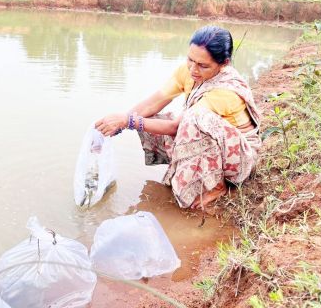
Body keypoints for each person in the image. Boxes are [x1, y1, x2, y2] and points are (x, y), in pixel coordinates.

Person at [95, 25, 261, 209]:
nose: (193, 70)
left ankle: (217, 186)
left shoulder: (226, 91)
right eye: (190, 59)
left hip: (238, 159)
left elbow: (177, 126)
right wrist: (119, 124)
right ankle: (188, 173)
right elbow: (154, 102)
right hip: (210, 143)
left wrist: (130, 121)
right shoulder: (187, 71)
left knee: (193, 119)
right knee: (154, 118)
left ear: (224, 64)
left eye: (203, 65)